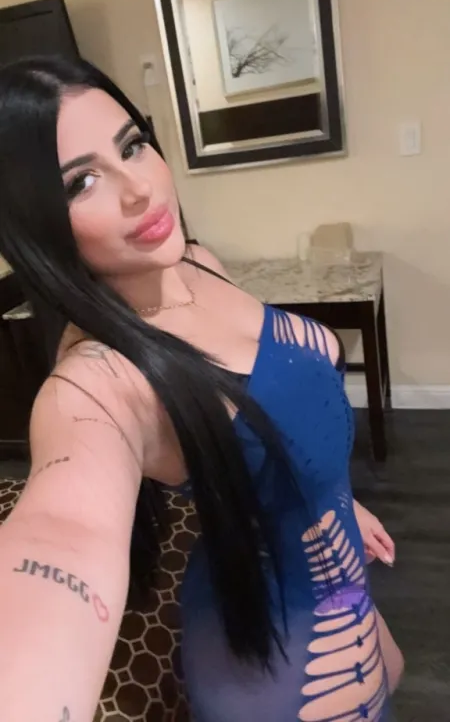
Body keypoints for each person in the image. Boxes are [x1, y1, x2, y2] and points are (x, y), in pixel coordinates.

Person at [0, 55, 403, 722]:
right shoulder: (95, 383)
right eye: (82, 182)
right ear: (35, 222)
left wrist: (326, 495)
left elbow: (283, 407)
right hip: (283, 672)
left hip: (325, 585)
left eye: (133, 145)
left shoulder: (195, 261)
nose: (140, 189)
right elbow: (60, 534)